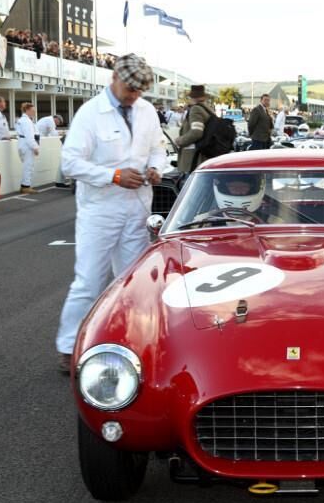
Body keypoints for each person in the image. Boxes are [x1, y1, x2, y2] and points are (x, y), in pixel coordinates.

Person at [55, 54, 165, 374]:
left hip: (137, 207)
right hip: (100, 210)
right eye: (130, 89)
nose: (134, 96)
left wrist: (157, 167)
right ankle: (68, 345)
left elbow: (158, 148)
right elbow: (70, 163)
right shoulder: (91, 113)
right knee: (89, 280)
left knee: (132, 281)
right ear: (114, 76)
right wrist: (113, 176)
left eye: (139, 91)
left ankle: (130, 342)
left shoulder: (146, 111)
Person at [172, 84, 216, 171]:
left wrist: (179, 141)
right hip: (205, 155)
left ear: (192, 97)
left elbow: (196, 132)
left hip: (193, 159)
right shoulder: (208, 109)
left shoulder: (196, 109)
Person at [15, 101, 39, 194]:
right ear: (27, 110)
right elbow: (29, 137)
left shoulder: (22, 120)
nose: (34, 112)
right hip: (27, 145)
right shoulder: (26, 121)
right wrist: (35, 147)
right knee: (28, 166)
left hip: (23, 143)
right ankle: (26, 186)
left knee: (27, 165)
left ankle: (24, 185)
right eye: (33, 110)